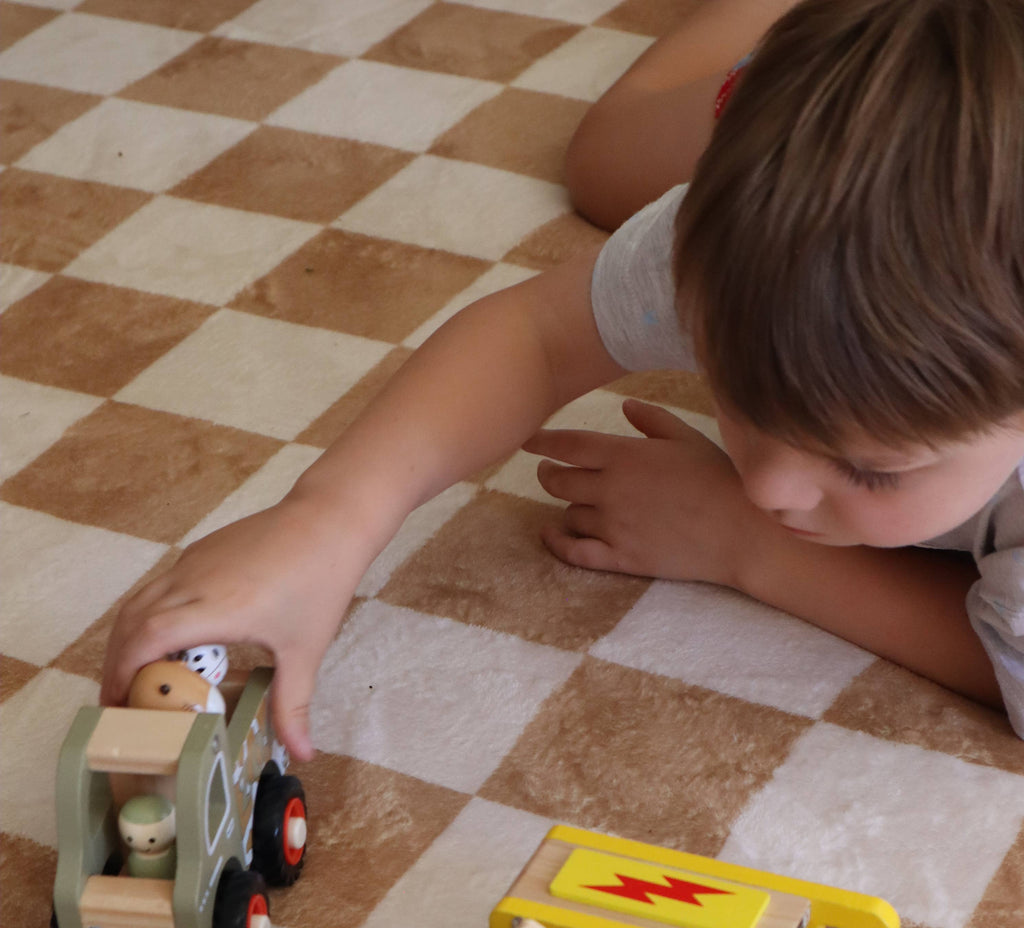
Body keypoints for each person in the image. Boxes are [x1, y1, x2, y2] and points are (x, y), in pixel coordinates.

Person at [102, 0, 1024, 756]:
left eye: (869, 468)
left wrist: (747, 545)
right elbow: (536, 334)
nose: (769, 487)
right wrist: (326, 522)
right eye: (737, 396)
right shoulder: (725, 248)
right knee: (606, 163)